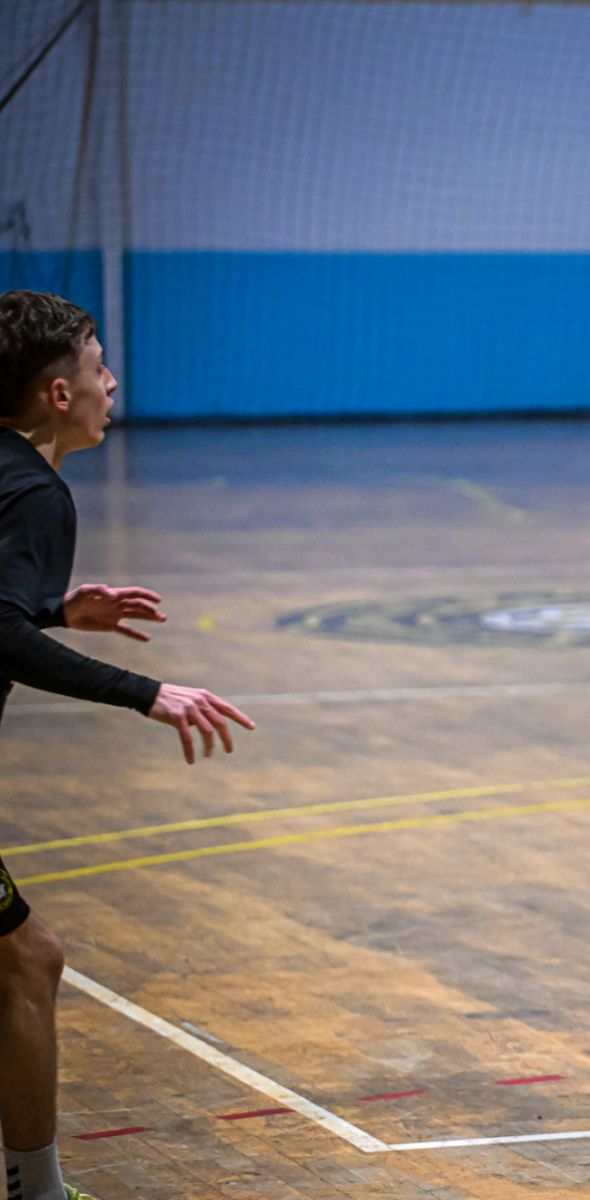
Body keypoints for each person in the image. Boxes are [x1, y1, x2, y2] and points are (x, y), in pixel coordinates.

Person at [0, 290, 255, 1200]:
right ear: (58, 394)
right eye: (98, 367)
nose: (112, 383)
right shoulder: (37, 493)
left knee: (21, 957)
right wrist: (146, 692)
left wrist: (51, 608)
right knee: (28, 958)